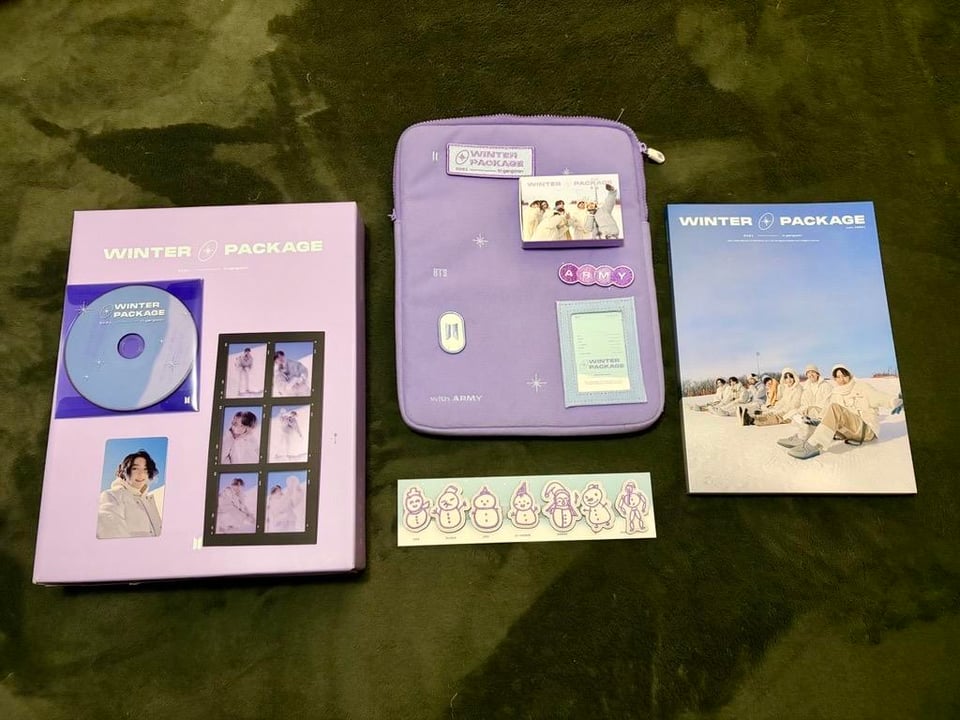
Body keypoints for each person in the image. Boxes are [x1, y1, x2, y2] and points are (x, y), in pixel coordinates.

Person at [781, 363, 904, 460]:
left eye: (844, 375)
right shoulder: (836, 393)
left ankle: (815, 445)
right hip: (849, 432)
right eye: (838, 377)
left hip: (866, 430)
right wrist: (815, 420)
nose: (841, 379)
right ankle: (802, 438)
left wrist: (895, 401)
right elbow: (826, 412)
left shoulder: (862, 387)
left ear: (849, 375)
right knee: (815, 413)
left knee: (834, 408)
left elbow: (879, 397)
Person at [97, 450, 163, 539]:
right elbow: (109, 528)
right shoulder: (113, 496)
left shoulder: (148, 501)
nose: (141, 473)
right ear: (124, 472)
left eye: (145, 469)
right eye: (135, 468)